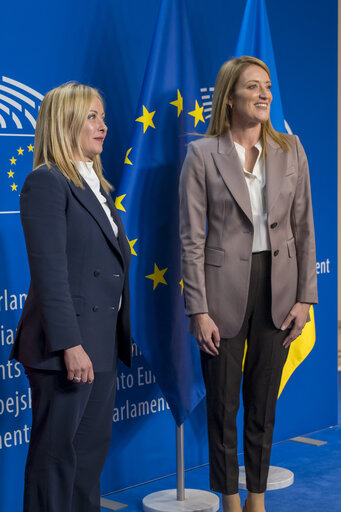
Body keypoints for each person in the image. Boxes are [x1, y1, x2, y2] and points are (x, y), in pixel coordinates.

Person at [179, 56, 317, 512]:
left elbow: (304, 227)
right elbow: (191, 240)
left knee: (262, 403)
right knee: (223, 406)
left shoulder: (291, 148)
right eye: (253, 87)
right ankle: (231, 499)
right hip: (221, 294)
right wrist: (198, 309)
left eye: (267, 86)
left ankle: (256, 499)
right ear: (230, 96)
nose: (264, 95)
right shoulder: (202, 154)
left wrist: (305, 298)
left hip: (278, 291)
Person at [10, 82, 132, 512]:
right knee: (55, 464)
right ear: (65, 123)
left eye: (103, 116)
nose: (104, 125)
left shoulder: (98, 187)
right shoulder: (46, 182)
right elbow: (50, 274)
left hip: (98, 344)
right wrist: (70, 344)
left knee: (87, 464)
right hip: (66, 348)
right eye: (92, 117)